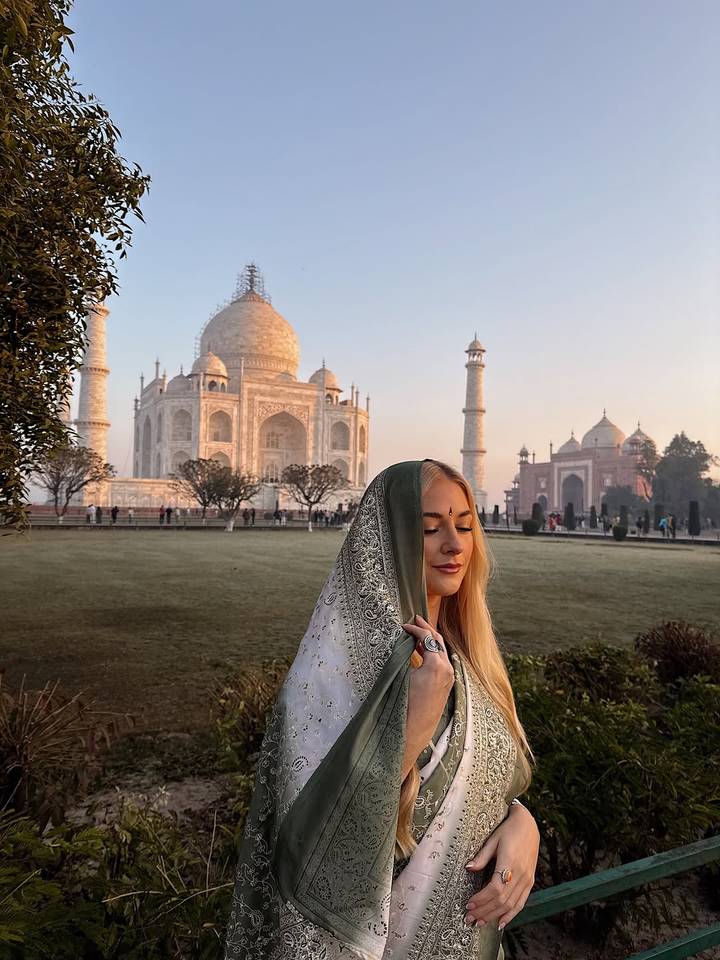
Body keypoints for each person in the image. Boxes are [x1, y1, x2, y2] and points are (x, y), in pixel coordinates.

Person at [224, 460, 539, 960]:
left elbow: (493, 785)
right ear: (387, 542)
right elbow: (310, 859)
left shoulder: (470, 661)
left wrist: (523, 822)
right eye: (430, 528)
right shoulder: (330, 681)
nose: (454, 544)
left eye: (464, 526)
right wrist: (410, 725)